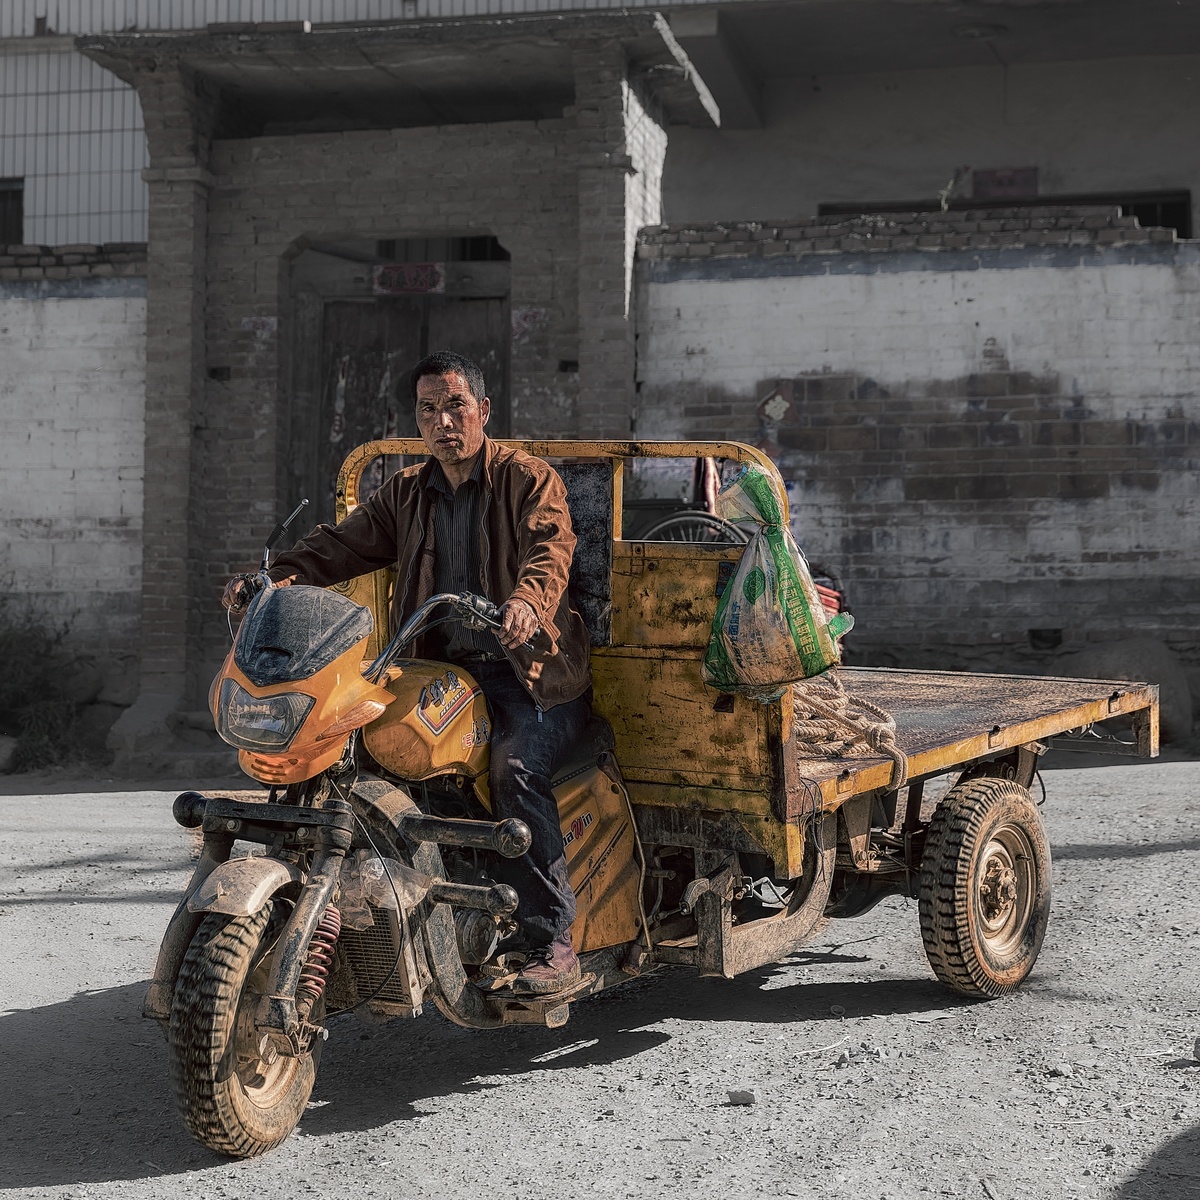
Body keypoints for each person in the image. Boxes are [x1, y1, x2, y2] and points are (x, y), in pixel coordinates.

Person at [223, 350, 592, 996]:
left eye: (455, 406)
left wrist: (529, 605)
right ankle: (335, 913)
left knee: (516, 769)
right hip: (433, 670)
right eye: (428, 409)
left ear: (483, 411)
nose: (442, 421)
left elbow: (550, 549)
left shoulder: (528, 481)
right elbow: (340, 546)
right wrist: (274, 579)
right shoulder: (405, 492)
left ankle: (551, 941)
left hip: (527, 674)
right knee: (344, 748)